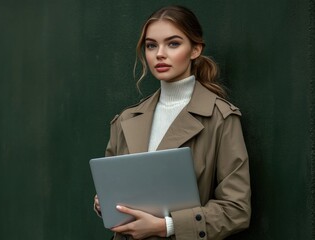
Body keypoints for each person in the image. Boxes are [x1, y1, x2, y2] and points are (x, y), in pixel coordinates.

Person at [93, 5, 251, 240]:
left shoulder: (220, 118)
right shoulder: (126, 119)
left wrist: (166, 226)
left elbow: (236, 210)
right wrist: (104, 203)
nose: (160, 54)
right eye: (151, 45)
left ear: (195, 49)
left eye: (173, 43)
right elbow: (113, 192)